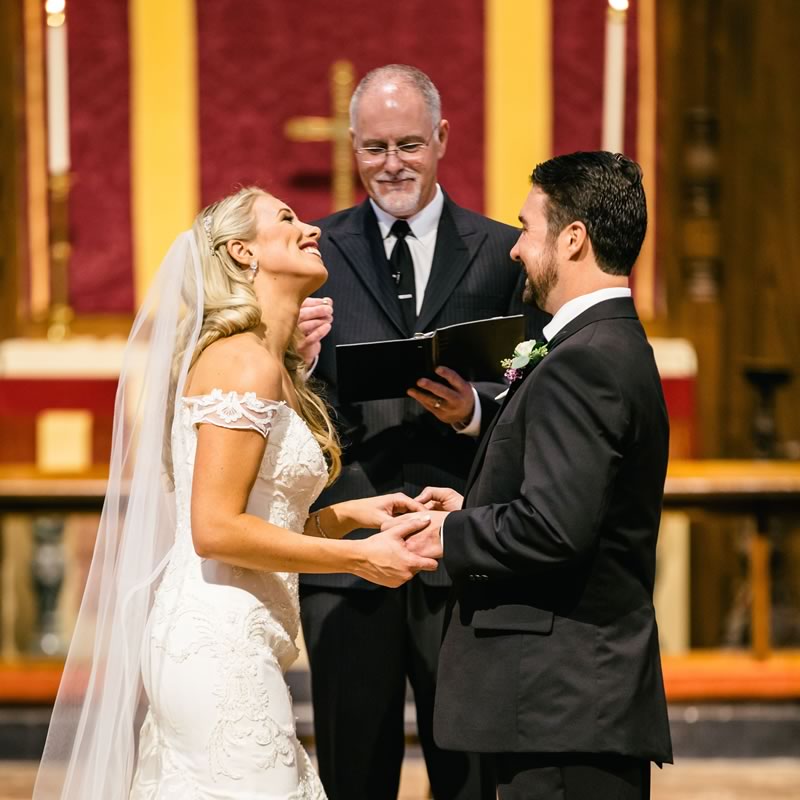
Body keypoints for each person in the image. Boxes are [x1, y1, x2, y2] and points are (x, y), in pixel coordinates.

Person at [33, 187, 438, 800]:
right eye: (288, 219)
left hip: (238, 641)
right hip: (216, 648)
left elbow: (256, 517)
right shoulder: (242, 363)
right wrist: (360, 558)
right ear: (243, 252)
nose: (312, 229)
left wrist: (346, 518)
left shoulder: (264, 362)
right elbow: (215, 531)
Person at [386, 152, 674, 799]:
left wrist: (450, 533)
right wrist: (474, 500)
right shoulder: (603, 344)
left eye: (527, 227)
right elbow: (570, 503)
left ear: (573, 238)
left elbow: (554, 529)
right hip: (560, 707)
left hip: (561, 706)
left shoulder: (587, 359)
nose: (515, 249)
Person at [298, 64, 548, 800]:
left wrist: (471, 413)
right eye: (375, 148)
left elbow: (536, 398)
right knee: (352, 770)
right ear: (352, 146)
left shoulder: (503, 252)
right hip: (348, 553)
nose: (392, 164)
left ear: (440, 138)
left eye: (409, 143)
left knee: (470, 774)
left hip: (464, 551)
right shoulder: (313, 253)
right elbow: (294, 395)